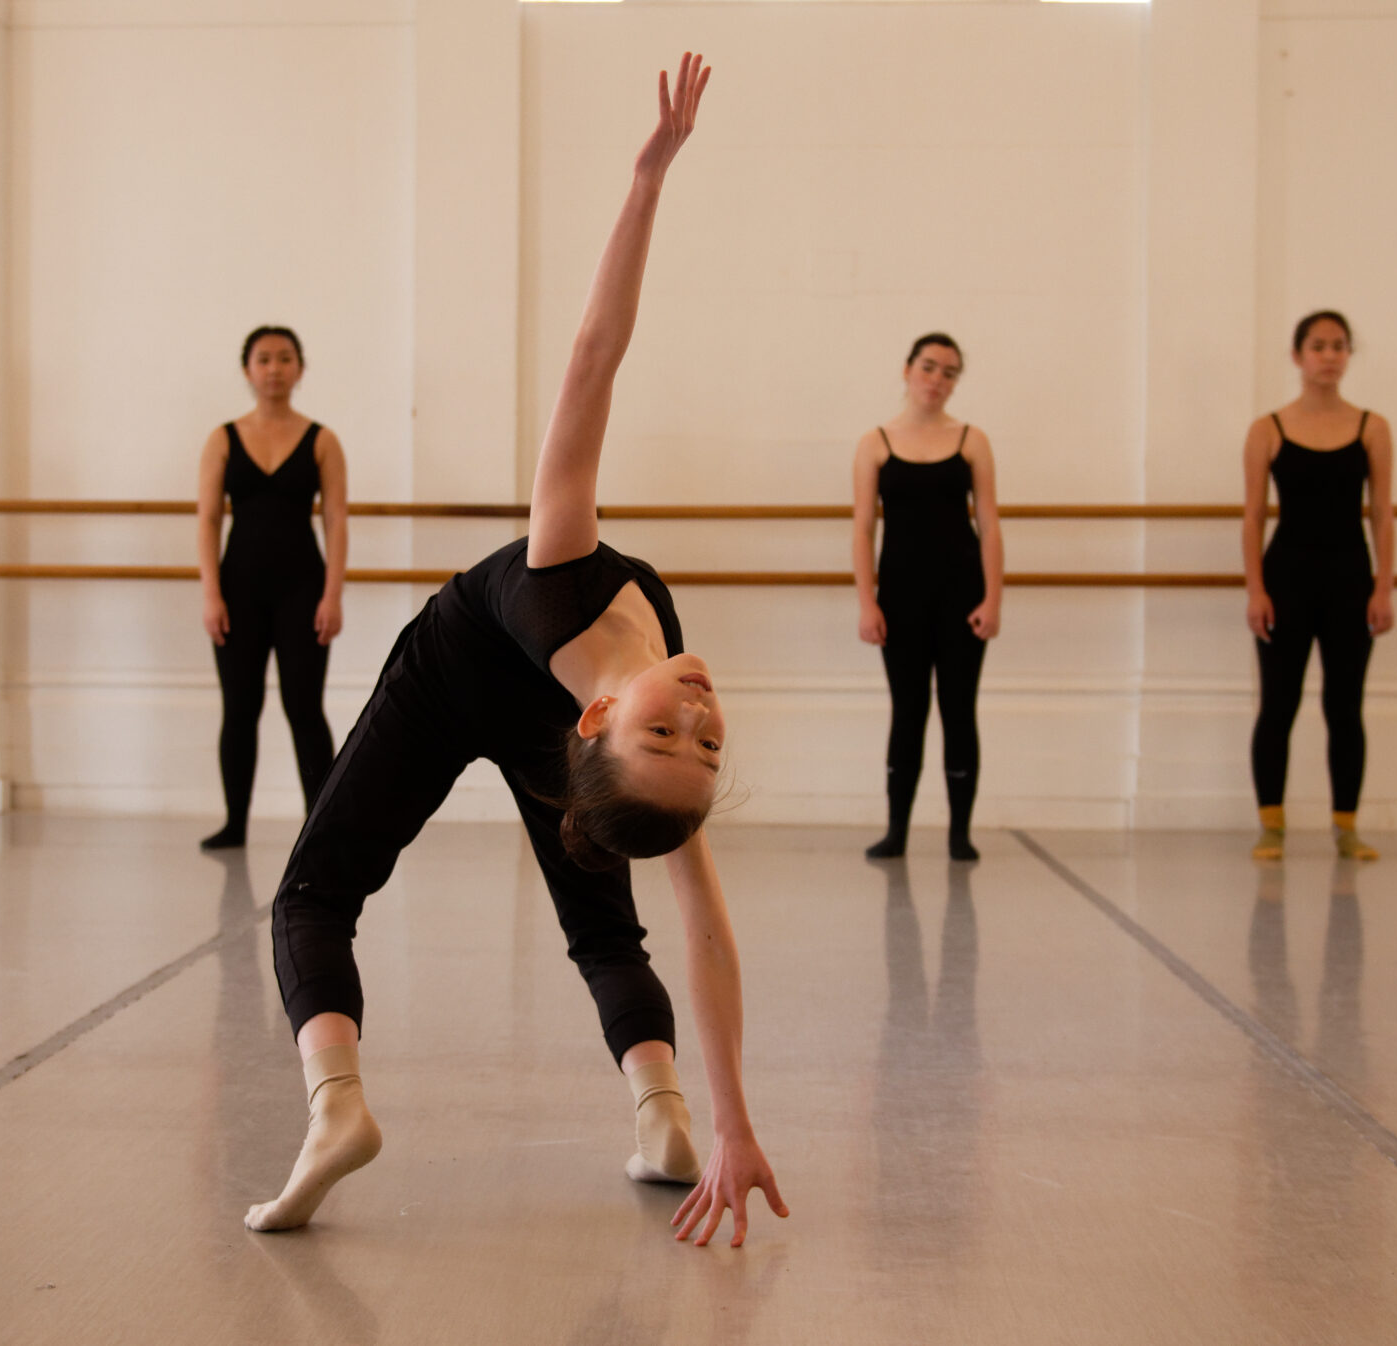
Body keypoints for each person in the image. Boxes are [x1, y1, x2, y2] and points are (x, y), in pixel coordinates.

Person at [245, 54, 785, 1249]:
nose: (697, 712)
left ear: (595, 730)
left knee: (314, 892)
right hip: (466, 678)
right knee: (590, 926)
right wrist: (646, 181)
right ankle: (646, 1113)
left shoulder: (575, 599)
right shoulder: (591, 626)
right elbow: (597, 351)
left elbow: (711, 933)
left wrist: (743, 1118)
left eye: (677, 736)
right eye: (698, 736)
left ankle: (354, 1103)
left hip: (454, 679)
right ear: (597, 724)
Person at [1242, 310, 1394, 862]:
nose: (1329, 355)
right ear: (1297, 355)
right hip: (1287, 579)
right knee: (1278, 704)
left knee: (1344, 706)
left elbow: (1381, 512)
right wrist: (1256, 590)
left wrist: (1384, 587)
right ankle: (1272, 825)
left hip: (1351, 580)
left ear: (1348, 355)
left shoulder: (1372, 427)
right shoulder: (1268, 429)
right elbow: (1254, 515)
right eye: (1318, 345)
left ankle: (1346, 825)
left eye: (1338, 346)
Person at [194, 326, 350, 850]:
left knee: (304, 707)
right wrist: (210, 592)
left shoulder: (322, 440)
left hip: (302, 588)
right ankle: (235, 823)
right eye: (264, 359)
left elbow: (336, 519)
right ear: (248, 371)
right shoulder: (222, 438)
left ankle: (320, 823)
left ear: (300, 369)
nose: (275, 368)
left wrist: (333, 594)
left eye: (285, 358)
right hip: (238, 589)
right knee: (239, 707)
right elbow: (208, 519)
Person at [850, 334, 1004, 861]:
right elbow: (863, 527)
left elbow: (988, 521)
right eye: (930, 367)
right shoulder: (875, 442)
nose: (938, 379)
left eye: (950, 372)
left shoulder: (972, 440)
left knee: (960, 710)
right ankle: (897, 831)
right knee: (908, 710)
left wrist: (994, 599)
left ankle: (960, 833)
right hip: (900, 599)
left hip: (963, 598)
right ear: (908, 369)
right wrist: (867, 602)